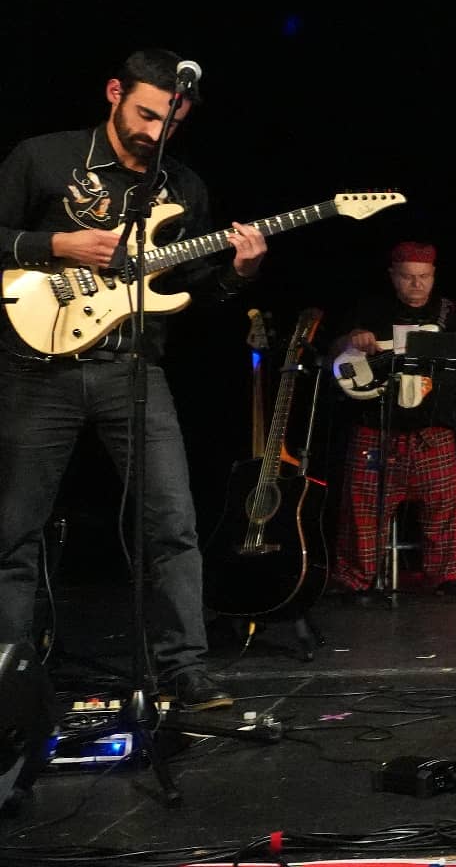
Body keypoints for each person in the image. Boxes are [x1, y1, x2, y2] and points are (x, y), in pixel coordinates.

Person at [0, 49, 268, 711]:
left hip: (132, 369)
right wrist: (57, 246)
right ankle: (8, 675)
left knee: (172, 525)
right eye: (145, 114)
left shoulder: (185, 186)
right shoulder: (42, 157)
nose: (154, 131)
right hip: (38, 370)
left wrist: (240, 270)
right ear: (114, 93)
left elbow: (198, 290)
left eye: (169, 123)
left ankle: (184, 670)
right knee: (14, 532)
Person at [329, 242, 456, 598]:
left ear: (434, 276)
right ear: (393, 276)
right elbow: (334, 354)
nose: (416, 285)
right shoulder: (370, 308)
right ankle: (354, 580)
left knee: (443, 506)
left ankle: (446, 577)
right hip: (375, 427)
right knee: (362, 510)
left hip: (432, 430)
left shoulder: (450, 315)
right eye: (407, 278)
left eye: (424, 278)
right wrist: (352, 339)